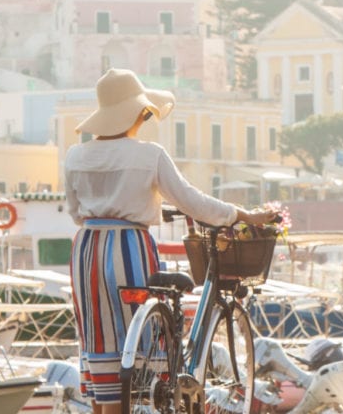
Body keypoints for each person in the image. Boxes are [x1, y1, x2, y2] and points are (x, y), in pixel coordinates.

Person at [65, 68, 273, 414]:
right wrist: (241, 216)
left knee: (100, 339)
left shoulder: (75, 156)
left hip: (87, 249)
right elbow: (192, 201)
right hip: (128, 246)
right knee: (137, 342)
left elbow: (75, 211)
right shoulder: (149, 155)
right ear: (138, 112)